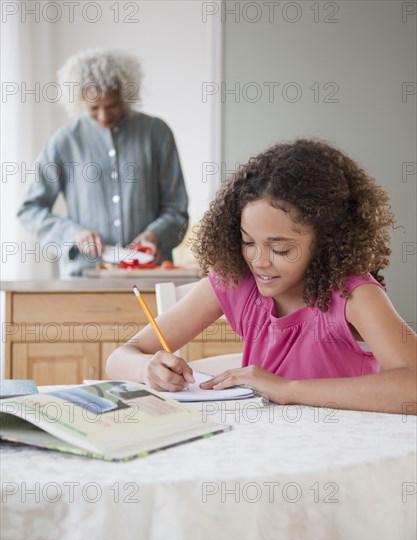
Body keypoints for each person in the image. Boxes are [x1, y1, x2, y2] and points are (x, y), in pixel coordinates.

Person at [106, 139, 417, 414]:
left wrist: (287, 389)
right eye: (248, 242)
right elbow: (118, 359)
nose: (259, 262)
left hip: (342, 455)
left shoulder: (354, 296)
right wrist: (147, 367)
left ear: (326, 241)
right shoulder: (235, 283)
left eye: (280, 249)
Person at [17, 48, 189, 276]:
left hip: (150, 274)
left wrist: (156, 234)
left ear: (125, 94)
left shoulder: (157, 133)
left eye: (112, 106)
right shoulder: (63, 142)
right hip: (84, 277)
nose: (104, 116)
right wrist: (73, 234)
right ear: (79, 102)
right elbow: (29, 209)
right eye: (94, 108)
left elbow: (177, 208)